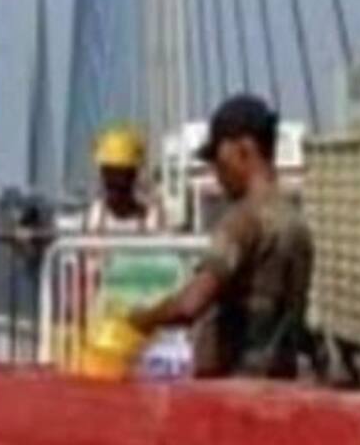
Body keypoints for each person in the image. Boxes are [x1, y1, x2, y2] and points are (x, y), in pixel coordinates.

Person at [128, 94, 313, 379]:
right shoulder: (296, 221)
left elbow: (190, 305)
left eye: (218, 158)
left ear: (244, 150)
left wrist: (139, 321)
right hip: (280, 383)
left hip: (236, 388)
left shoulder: (244, 220)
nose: (215, 172)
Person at [85, 125, 165, 234]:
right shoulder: (97, 213)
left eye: (121, 174)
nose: (116, 182)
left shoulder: (152, 215)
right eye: (110, 174)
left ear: (133, 176)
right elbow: (90, 248)